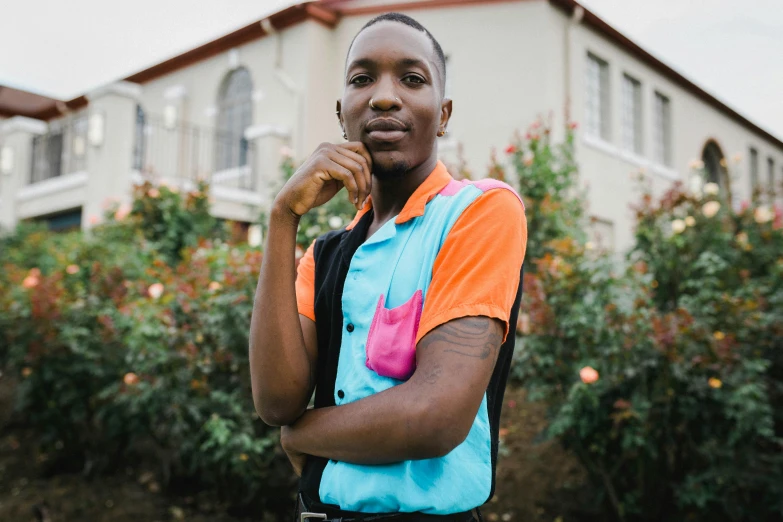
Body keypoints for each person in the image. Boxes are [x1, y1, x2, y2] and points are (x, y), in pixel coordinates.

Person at [249, 12, 527, 522]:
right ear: (341, 113)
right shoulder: (326, 254)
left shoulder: (478, 212)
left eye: (412, 78)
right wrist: (281, 216)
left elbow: (435, 416)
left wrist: (304, 434)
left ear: (443, 115)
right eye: (362, 79)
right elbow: (276, 400)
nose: (383, 96)